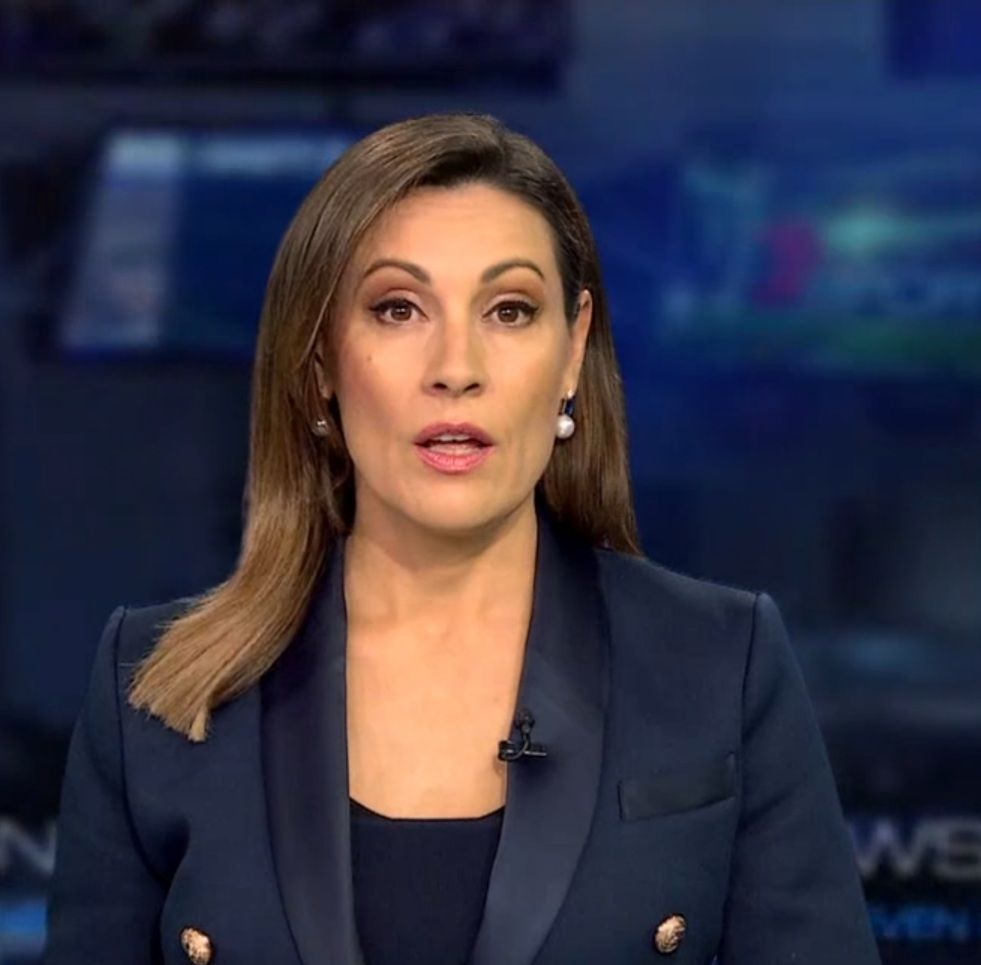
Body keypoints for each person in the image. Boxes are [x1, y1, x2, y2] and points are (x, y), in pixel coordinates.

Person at [43, 111, 882, 965]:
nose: (455, 366)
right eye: (398, 309)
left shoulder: (721, 664)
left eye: (509, 310)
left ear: (572, 347)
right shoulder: (152, 691)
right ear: (321, 359)